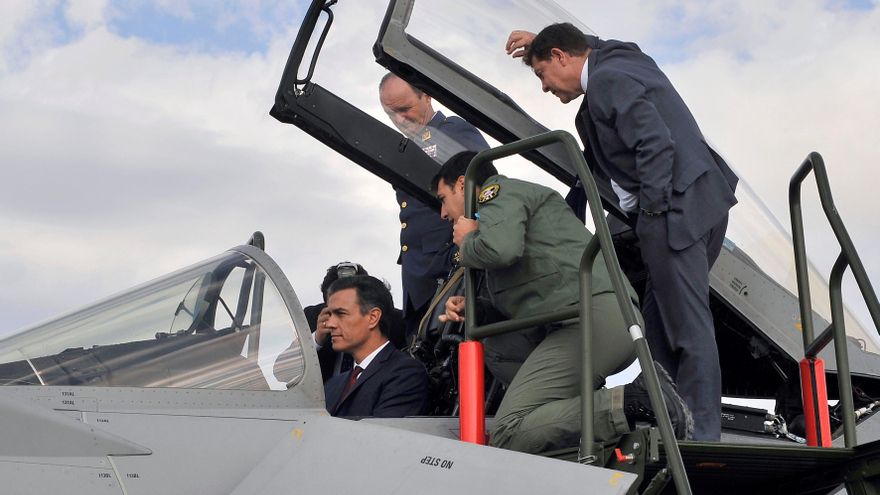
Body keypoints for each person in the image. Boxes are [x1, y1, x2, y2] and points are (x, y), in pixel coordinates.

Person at [505, 23, 738, 441]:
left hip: (672, 211)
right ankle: (674, 420)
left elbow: (655, 143)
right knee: (659, 324)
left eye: (541, 73)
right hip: (698, 203)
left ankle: (702, 432)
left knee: (686, 326)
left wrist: (651, 211)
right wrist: (540, 38)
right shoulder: (618, 60)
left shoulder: (609, 80)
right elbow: (595, 45)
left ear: (561, 56)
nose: (543, 87)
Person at [433, 151, 692, 453]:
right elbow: (527, 294)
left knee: (508, 430)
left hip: (591, 317)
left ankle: (635, 401)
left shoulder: (497, 194)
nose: (442, 213)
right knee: (498, 352)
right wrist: (473, 308)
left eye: (442, 198)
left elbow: (501, 250)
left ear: (463, 184)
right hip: (583, 319)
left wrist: (467, 243)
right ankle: (610, 408)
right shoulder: (498, 216)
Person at [378, 73, 489, 341]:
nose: (400, 120)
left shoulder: (453, 132)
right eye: (391, 114)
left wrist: (464, 253)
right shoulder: (404, 148)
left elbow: (481, 189)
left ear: (426, 96)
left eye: (405, 109)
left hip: (449, 268)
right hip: (418, 277)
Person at [323, 275, 429, 418]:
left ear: (373, 318)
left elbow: (386, 436)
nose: (330, 324)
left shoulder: (405, 374)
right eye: (329, 315)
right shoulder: (334, 384)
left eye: (341, 314)